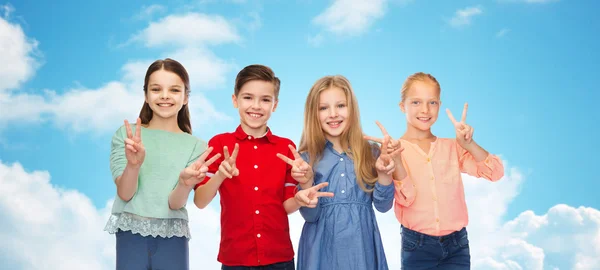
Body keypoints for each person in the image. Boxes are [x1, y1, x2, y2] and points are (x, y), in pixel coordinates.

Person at [368, 72, 505, 269]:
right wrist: (397, 161)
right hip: (417, 246)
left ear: (439, 106)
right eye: (416, 102)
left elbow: (495, 173)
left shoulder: (453, 147)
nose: (425, 110)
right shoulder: (394, 151)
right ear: (402, 107)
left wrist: (469, 144)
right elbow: (407, 198)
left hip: (457, 245)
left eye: (432, 102)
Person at [193, 64, 314, 270]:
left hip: (279, 259)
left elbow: (286, 205)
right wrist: (220, 175)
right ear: (235, 100)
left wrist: (300, 198)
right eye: (248, 97)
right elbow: (200, 201)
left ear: (274, 105)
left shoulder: (286, 148)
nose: (256, 106)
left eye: (265, 99)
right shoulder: (219, 144)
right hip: (235, 259)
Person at [104, 58, 219, 270]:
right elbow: (125, 193)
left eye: (174, 90)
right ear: (146, 95)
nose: (165, 96)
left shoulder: (196, 146)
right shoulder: (127, 135)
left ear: (185, 97)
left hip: (173, 237)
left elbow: (175, 205)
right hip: (131, 235)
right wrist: (133, 165)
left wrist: (185, 184)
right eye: (156, 89)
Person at [296, 75, 400, 270]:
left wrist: (384, 174)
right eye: (323, 108)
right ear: (313, 114)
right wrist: (306, 184)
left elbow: (383, 206)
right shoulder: (306, 159)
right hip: (320, 254)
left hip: (362, 251)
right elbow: (310, 216)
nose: (333, 114)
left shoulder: (372, 153)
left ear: (352, 109)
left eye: (341, 106)